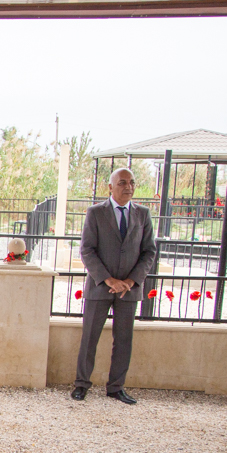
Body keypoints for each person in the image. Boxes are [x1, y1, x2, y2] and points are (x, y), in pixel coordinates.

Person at [71, 168, 158, 404]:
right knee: (90, 337)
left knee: (124, 340)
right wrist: (108, 279)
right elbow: (87, 250)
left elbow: (149, 251)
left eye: (132, 182)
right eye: (122, 183)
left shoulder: (143, 214)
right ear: (110, 187)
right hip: (100, 287)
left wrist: (130, 281)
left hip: (129, 290)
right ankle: (81, 384)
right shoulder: (96, 212)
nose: (128, 187)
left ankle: (116, 387)